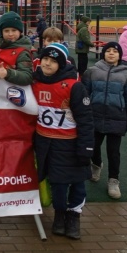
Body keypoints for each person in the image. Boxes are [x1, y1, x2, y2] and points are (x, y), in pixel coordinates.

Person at [31, 43, 94, 239]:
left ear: (62, 64)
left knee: (77, 182)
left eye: (53, 61)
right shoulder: (34, 82)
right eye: (45, 59)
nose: (47, 64)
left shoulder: (74, 86)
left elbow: (86, 120)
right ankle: (59, 214)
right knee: (57, 183)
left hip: (70, 143)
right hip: (45, 143)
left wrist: (86, 147)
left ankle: (74, 215)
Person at [81, 42, 127, 200]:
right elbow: (84, 94)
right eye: (108, 51)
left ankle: (113, 180)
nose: (111, 53)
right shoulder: (92, 72)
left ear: (120, 55)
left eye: (115, 51)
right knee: (93, 146)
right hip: (95, 116)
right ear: (103, 54)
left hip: (117, 118)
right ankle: (96, 164)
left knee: (113, 152)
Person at [0, 11, 33, 86]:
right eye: (6, 31)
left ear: (20, 31)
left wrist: (7, 73)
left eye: (14, 30)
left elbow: (27, 77)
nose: (10, 34)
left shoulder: (23, 52)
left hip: (9, 91)